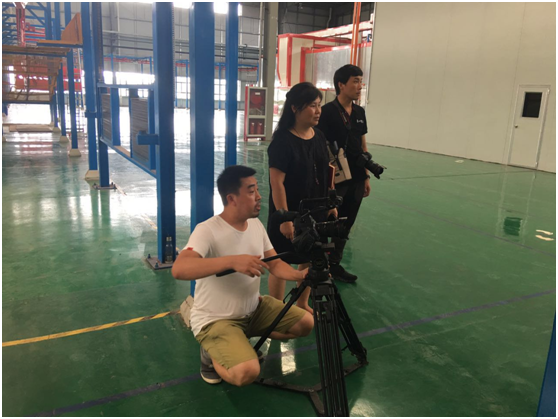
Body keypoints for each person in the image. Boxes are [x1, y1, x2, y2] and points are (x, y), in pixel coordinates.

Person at [172, 165, 314, 387]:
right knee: (246, 373)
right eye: (251, 191)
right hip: (216, 319)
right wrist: (231, 261)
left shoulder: (255, 225)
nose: (259, 196)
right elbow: (179, 269)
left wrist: (299, 274)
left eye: (256, 190)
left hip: (253, 310)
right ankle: (210, 355)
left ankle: (239, 342)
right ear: (232, 198)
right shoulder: (207, 230)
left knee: (305, 324)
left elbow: (274, 264)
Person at [266, 82, 332, 313]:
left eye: (319, 105)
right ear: (295, 108)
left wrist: (329, 203)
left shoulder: (319, 136)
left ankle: (302, 303)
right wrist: (285, 218)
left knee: (311, 258)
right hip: (289, 211)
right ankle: (276, 309)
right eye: (312, 105)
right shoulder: (282, 142)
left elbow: (325, 172)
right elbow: (277, 183)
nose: (318, 111)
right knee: (281, 260)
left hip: (315, 209)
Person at [316, 64, 371, 284]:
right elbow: (319, 148)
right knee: (327, 221)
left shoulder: (360, 112)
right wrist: (325, 182)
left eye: (361, 81)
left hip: (356, 177)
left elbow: (363, 145)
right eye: (355, 81)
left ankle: (335, 265)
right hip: (335, 179)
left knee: (346, 223)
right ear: (341, 85)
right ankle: (320, 267)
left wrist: (366, 176)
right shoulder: (327, 112)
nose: (360, 86)